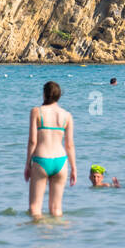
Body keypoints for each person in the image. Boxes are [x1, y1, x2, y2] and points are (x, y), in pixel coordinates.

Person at [24, 80, 76, 217]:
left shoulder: (36, 112)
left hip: (41, 159)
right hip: (61, 161)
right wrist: (74, 168)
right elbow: (69, 145)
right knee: (56, 209)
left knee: (35, 208)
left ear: (44, 94)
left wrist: (27, 164)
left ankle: (39, 236)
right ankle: (58, 236)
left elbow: (32, 141)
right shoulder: (67, 115)